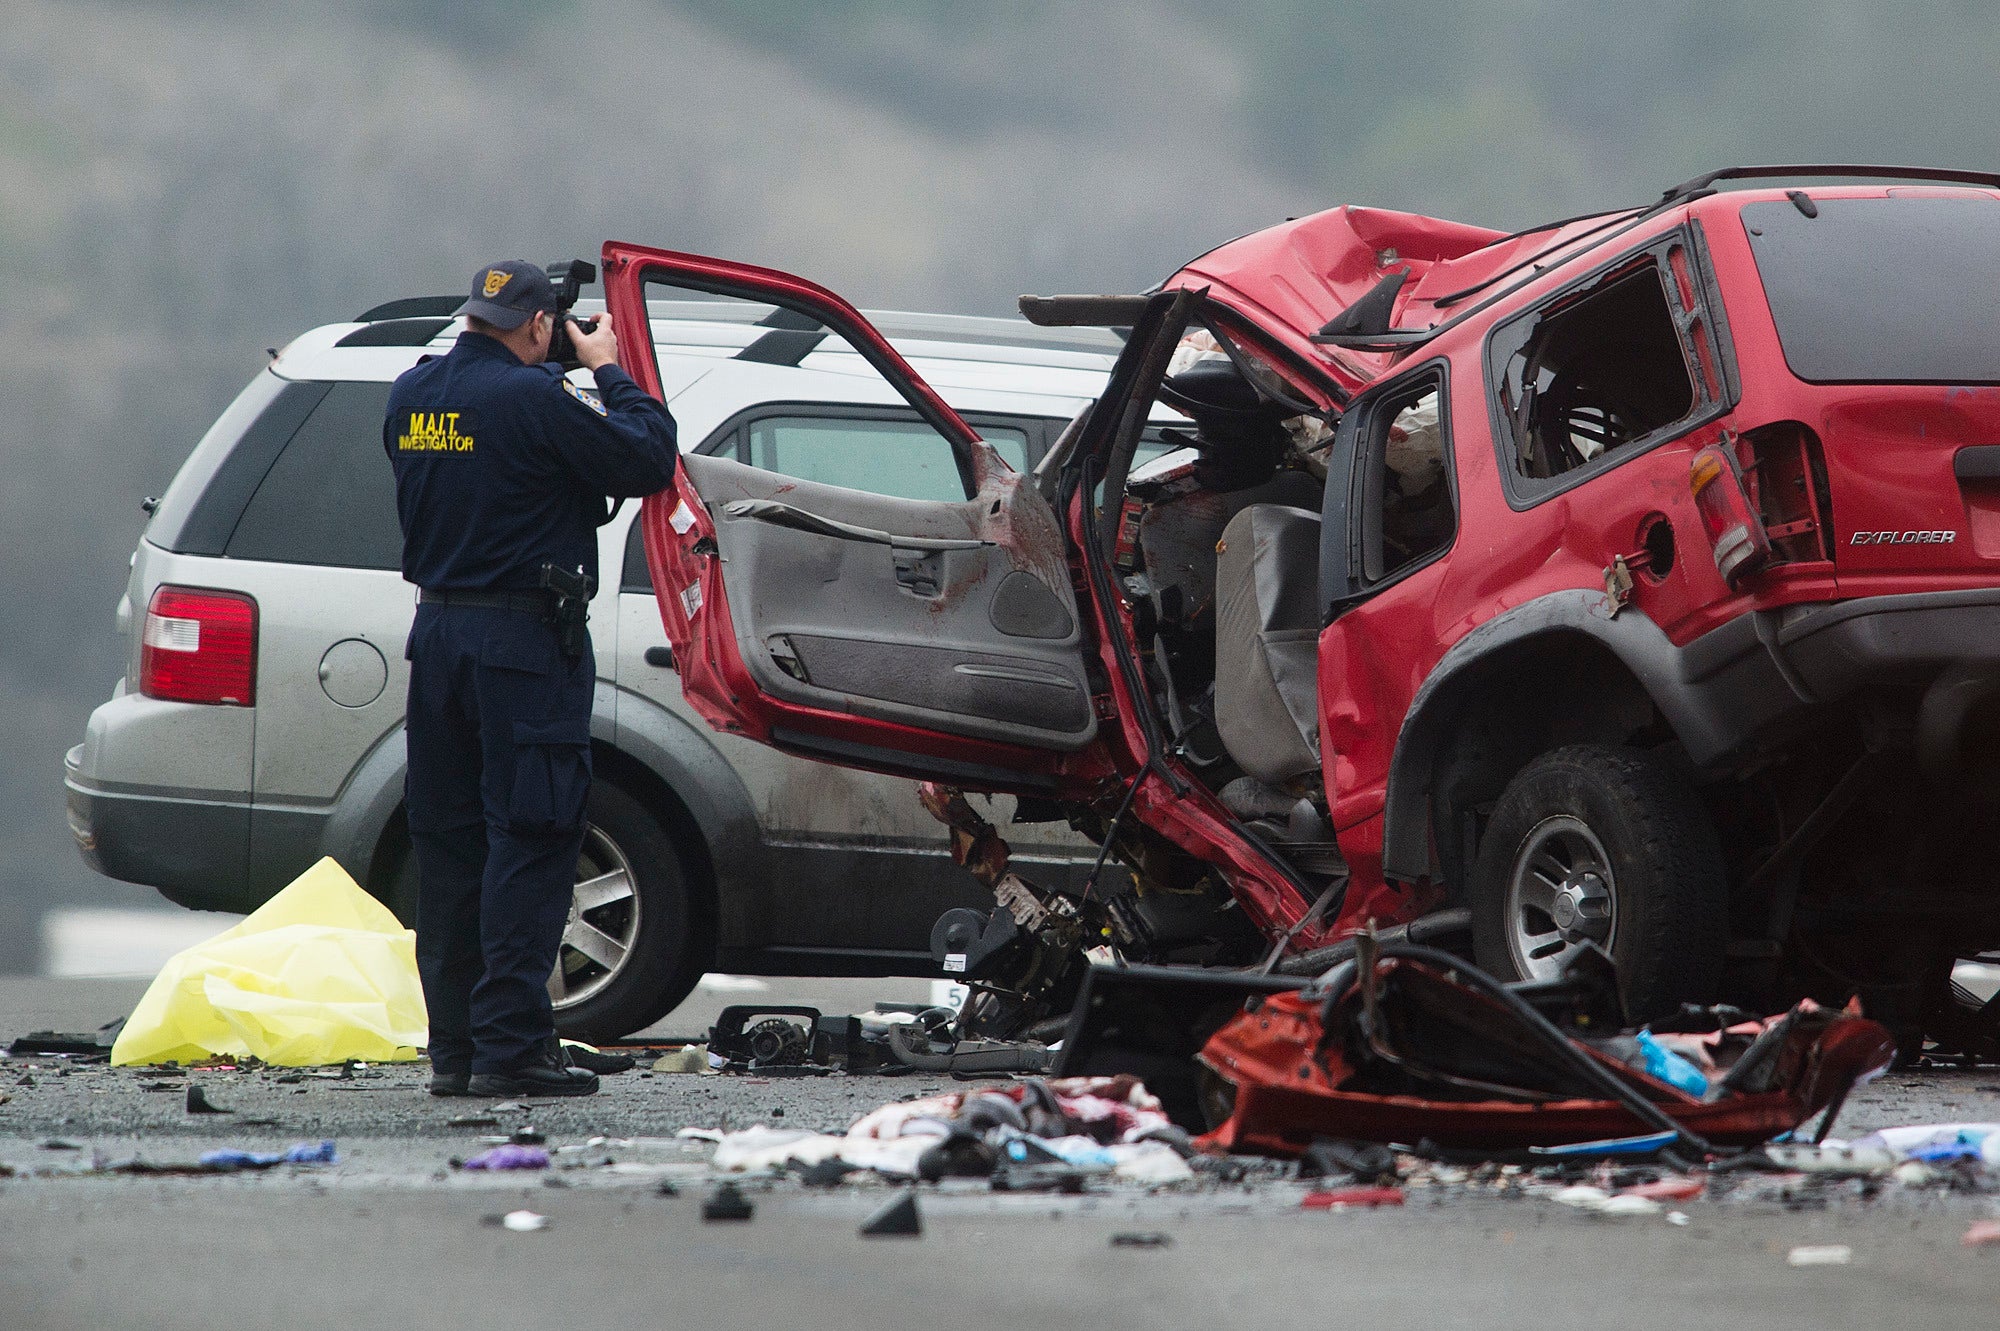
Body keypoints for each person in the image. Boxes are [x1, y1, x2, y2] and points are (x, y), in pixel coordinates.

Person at [384, 260, 679, 1097]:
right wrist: (608, 366)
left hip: (437, 637)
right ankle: (512, 1049)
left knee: (450, 848)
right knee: (533, 835)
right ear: (541, 327)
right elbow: (650, 455)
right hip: (521, 644)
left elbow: (490, 454)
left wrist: (553, 371)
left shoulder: (412, 396)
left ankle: (456, 1052)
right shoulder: (536, 401)